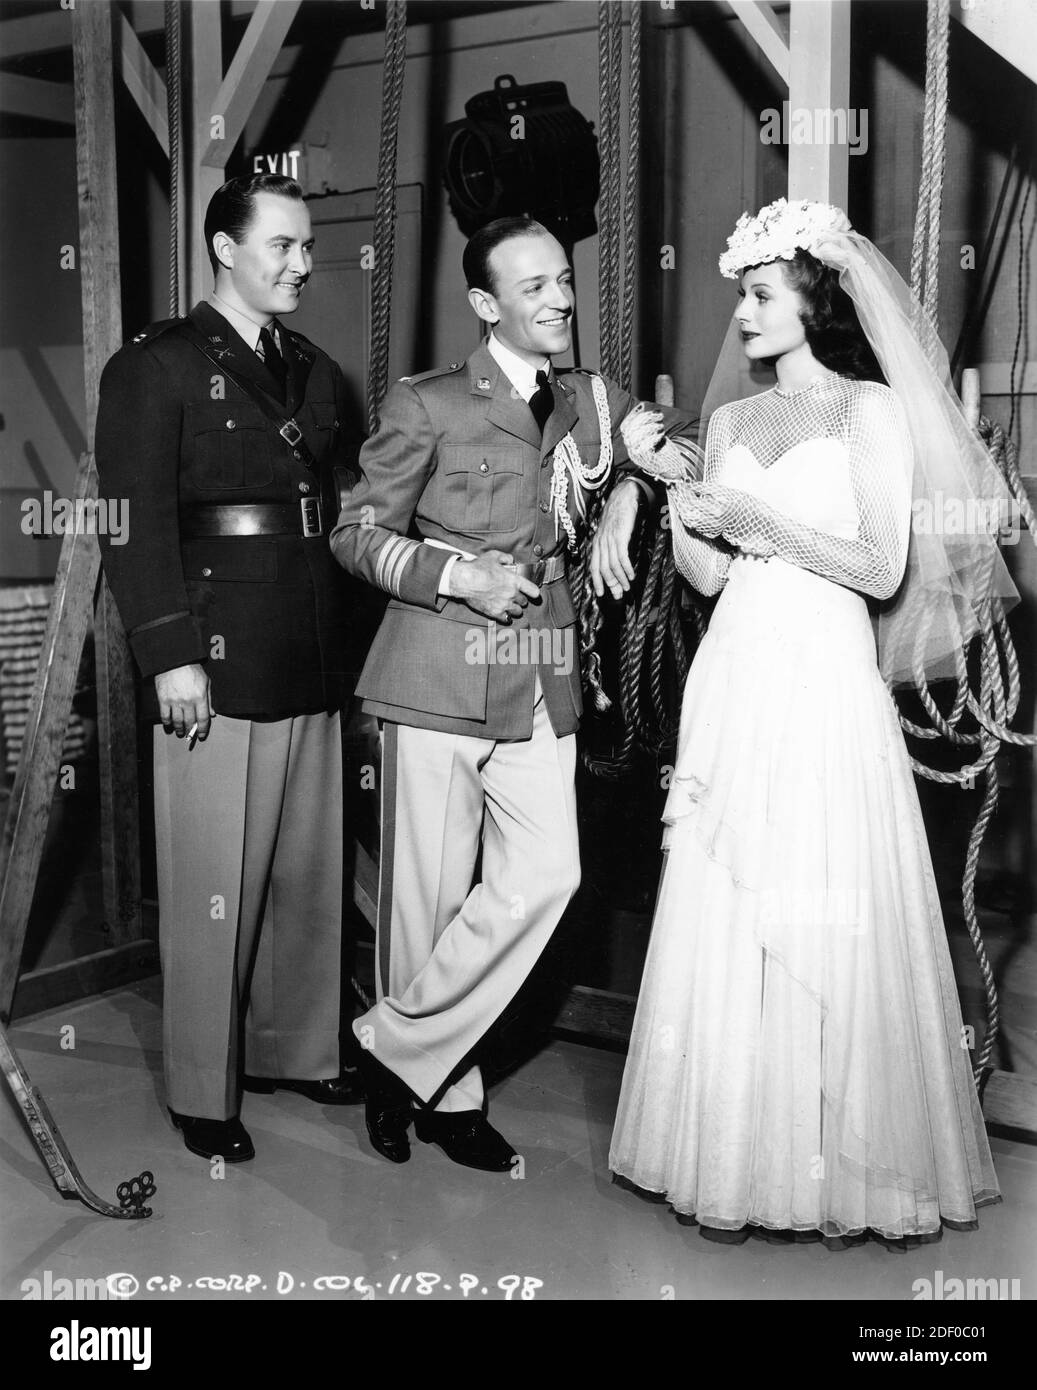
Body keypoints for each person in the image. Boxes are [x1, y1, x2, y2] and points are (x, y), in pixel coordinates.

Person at [608, 199, 1017, 1244]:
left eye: (756, 293)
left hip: (825, 667)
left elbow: (879, 567)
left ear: (810, 299)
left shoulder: (867, 411)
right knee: (732, 893)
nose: (739, 313)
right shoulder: (735, 422)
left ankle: (847, 1166)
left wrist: (762, 522)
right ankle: (736, 1150)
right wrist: (671, 493)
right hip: (737, 665)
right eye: (739, 294)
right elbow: (704, 573)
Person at [331, 215, 696, 1170]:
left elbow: (670, 450)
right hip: (435, 670)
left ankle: (391, 1053)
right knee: (427, 899)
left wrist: (625, 493)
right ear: (487, 305)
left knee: (548, 876)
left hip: (540, 672)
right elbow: (354, 532)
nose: (560, 298)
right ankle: (449, 1100)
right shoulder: (430, 403)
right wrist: (457, 576)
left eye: (563, 278)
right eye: (533, 286)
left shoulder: (592, 398)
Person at [95, 174, 373, 1163]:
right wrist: (170, 655)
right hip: (211, 655)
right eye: (282, 245)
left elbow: (341, 512)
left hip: (306, 646)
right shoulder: (158, 366)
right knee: (216, 878)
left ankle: (292, 1051)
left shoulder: (314, 370)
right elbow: (128, 525)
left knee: (307, 870)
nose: (302, 262)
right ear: (224, 247)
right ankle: (203, 1088)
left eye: (306, 245)